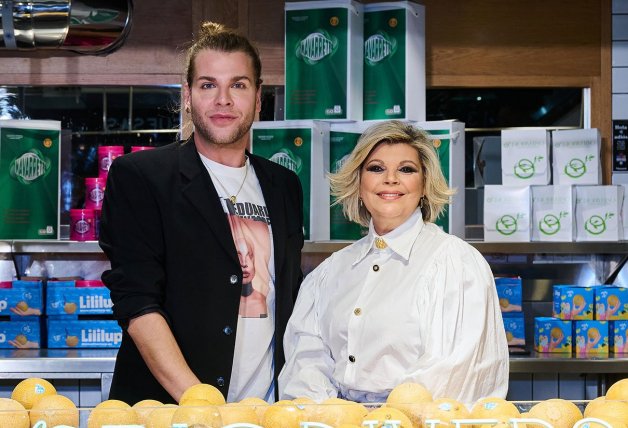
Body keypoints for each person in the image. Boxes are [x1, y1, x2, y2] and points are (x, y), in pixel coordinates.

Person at [99, 22, 304, 405]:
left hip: (265, 408)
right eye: (208, 85)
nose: (223, 100)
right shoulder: (142, 178)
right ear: (188, 96)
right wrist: (200, 405)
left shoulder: (284, 185)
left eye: (238, 85)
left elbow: (287, 296)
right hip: (171, 409)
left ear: (259, 99)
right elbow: (138, 304)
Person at [278, 120, 509, 407]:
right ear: (359, 183)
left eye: (406, 169)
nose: (391, 179)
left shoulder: (456, 263)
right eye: (376, 168)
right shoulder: (330, 272)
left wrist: (386, 419)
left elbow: (454, 374)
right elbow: (306, 360)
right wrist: (329, 415)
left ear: (424, 184)